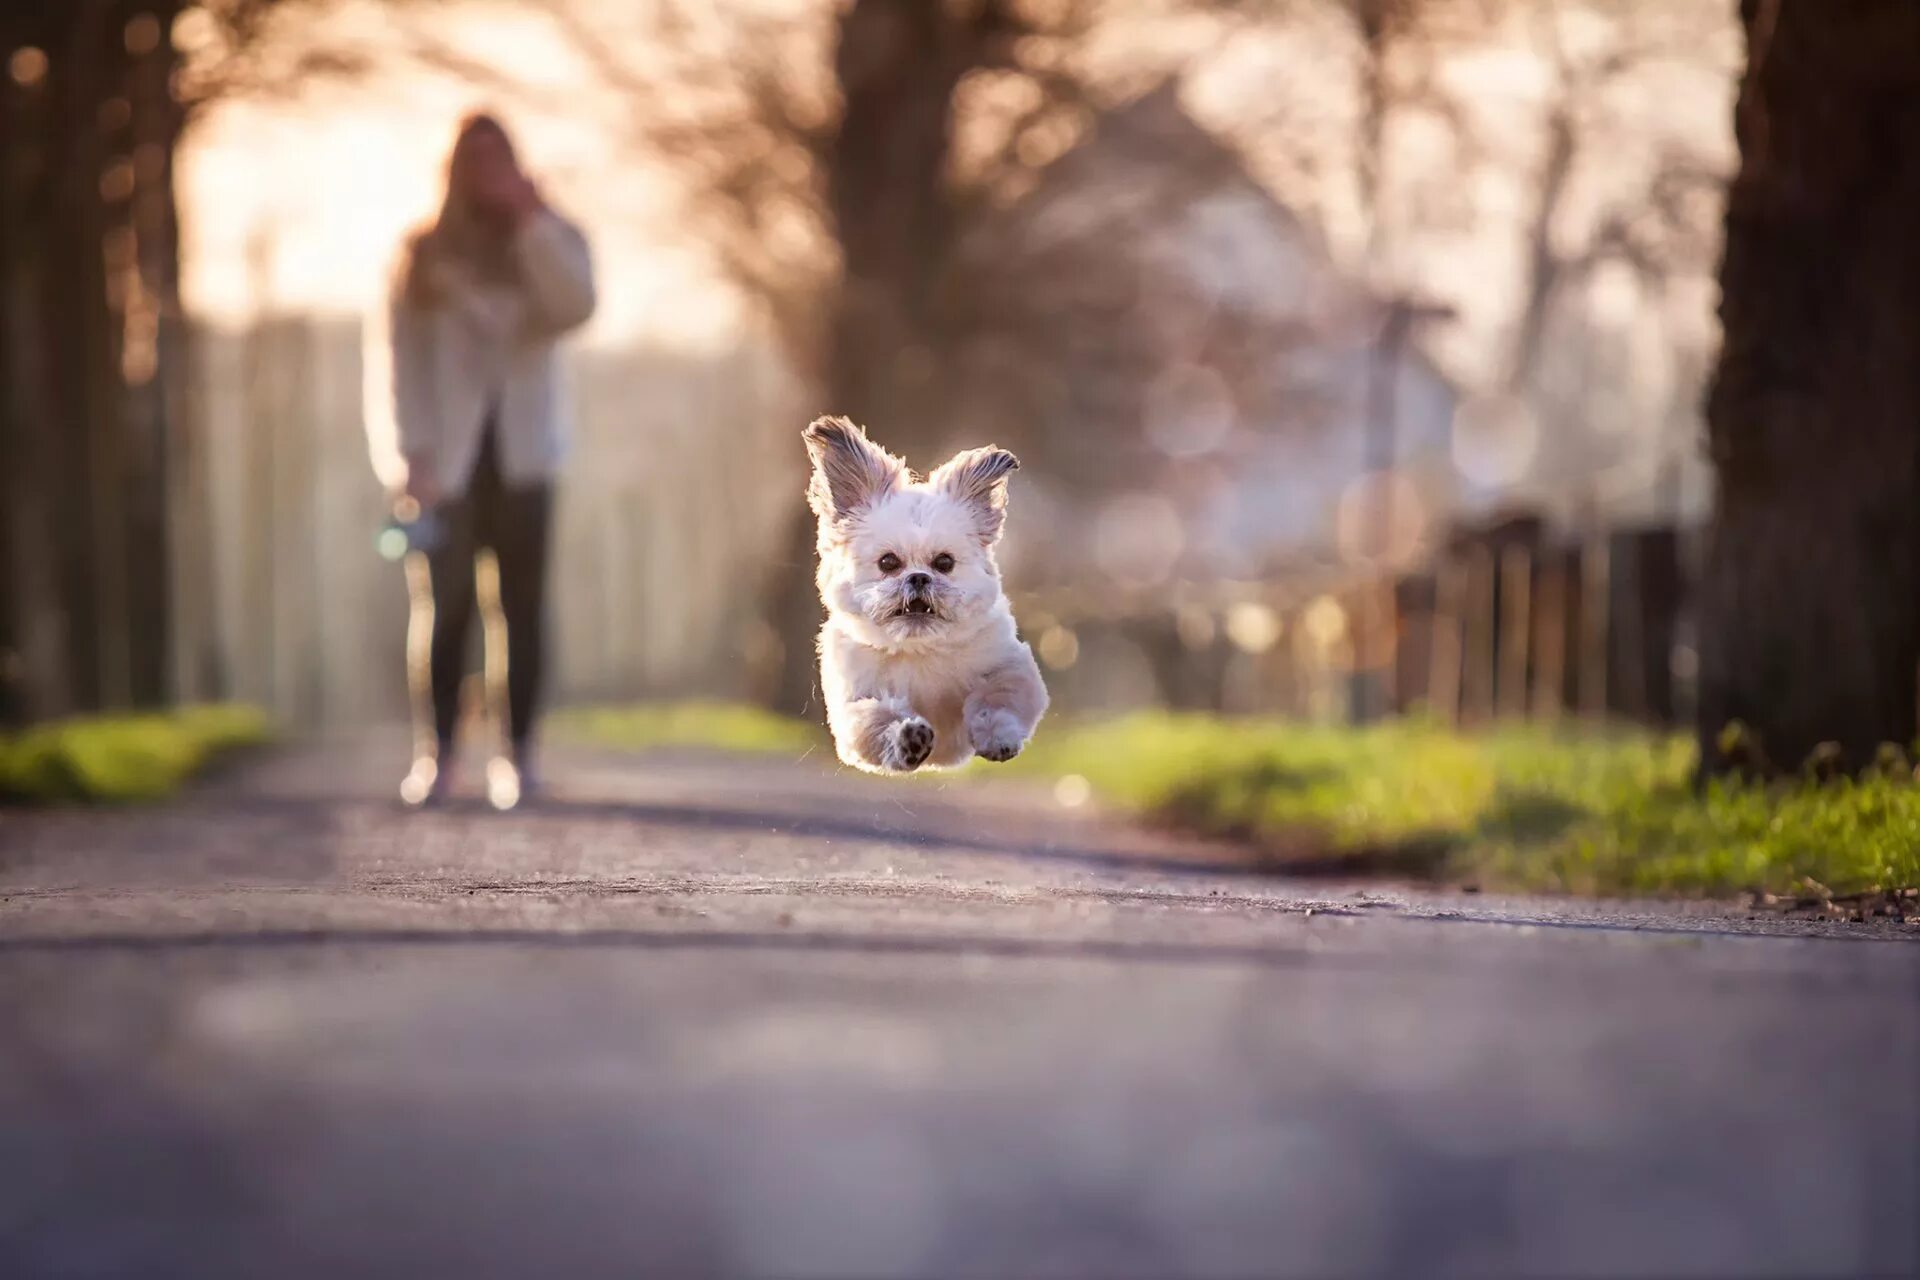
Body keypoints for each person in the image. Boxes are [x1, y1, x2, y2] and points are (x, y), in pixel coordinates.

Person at [365, 112, 595, 807]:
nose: (489, 175)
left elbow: (576, 307)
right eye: (478, 162)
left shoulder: (552, 239)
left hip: (527, 456)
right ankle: (436, 755)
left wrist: (532, 220)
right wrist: (411, 457)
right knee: (446, 609)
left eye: (502, 161)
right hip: (446, 464)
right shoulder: (421, 254)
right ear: (455, 170)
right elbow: (396, 364)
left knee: (522, 609)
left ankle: (518, 755)